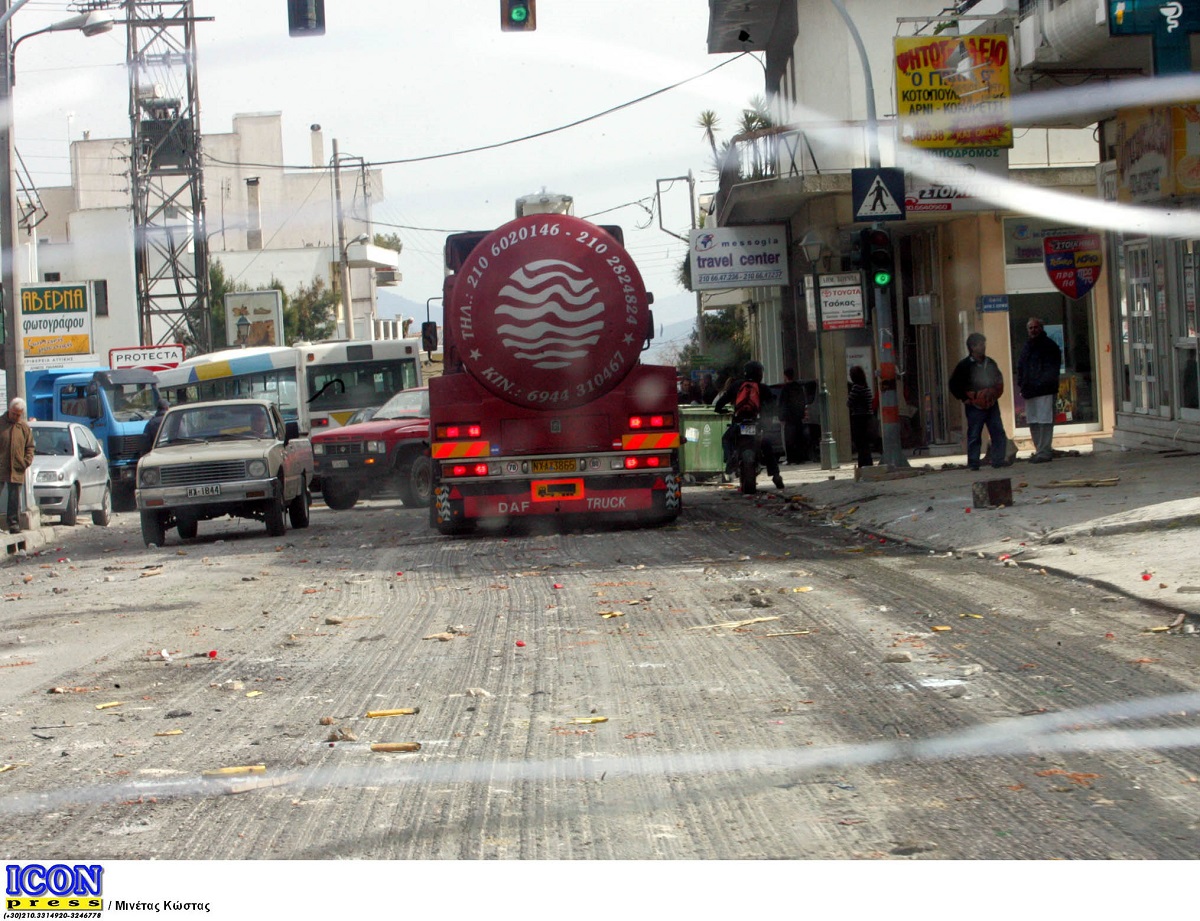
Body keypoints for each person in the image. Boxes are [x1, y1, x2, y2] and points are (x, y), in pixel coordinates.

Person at [714, 360, 784, 490]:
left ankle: (730, 459)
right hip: (756, 424)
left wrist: (721, 410)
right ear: (759, 373)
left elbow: (719, 404)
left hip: (739, 424)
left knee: (726, 439)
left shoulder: (736, 385)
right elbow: (772, 408)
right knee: (767, 446)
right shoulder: (763, 388)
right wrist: (766, 421)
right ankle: (776, 476)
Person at [949, 332, 1009, 471]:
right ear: (972, 347)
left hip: (991, 403)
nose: (983, 346)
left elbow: (999, 380)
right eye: (980, 344)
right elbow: (953, 384)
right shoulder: (964, 366)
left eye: (984, 343)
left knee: (998, 431)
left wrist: (995, 393)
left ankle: (998, 460)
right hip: (975, 405)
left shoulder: (990, 363)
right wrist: (964, 399)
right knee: (975, 434)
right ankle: (974, 462)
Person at [1017, 317, 1062, 464]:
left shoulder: (1049, 346)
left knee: (1045, 421)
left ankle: (1044, 451)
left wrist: (1042, 383)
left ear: (1041, 328)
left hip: (1044, 390)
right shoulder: (1027, 347)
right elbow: (1021, 367)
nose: (1033, 330)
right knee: (1033, 421)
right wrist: (1021, 384)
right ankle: (1039, 450)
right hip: (1030, 391)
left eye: (1036, 327)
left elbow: (1052, 369)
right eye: (1030, 328)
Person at [0, 398, 35, 534]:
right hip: (1, 466)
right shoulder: (1, 423)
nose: (15, 416)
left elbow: (30, 446)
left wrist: (26, 461)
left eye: (18, 414)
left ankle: (13, 524)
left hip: (17, 468)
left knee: (14, 498)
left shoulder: (24, 427)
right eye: (14, 413)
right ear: (9, 410)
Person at [777, 367, 809, 465]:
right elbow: (803, 401)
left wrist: (781, 417)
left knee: (789, 439)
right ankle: (800, 458)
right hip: (798, 417)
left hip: (789, 418)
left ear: (785, 376)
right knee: (799, 438)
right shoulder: (798, 387)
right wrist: (802, 413)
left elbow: (782, 404)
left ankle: (791, 459)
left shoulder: (785, 389)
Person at [847, 365, 875, 468]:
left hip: (858, 418)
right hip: (867, 418)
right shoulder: (866, 388)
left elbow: (849, 402)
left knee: (860, 444)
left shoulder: (856, 388)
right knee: (865, 444)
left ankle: (862, 465)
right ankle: (868, 464)